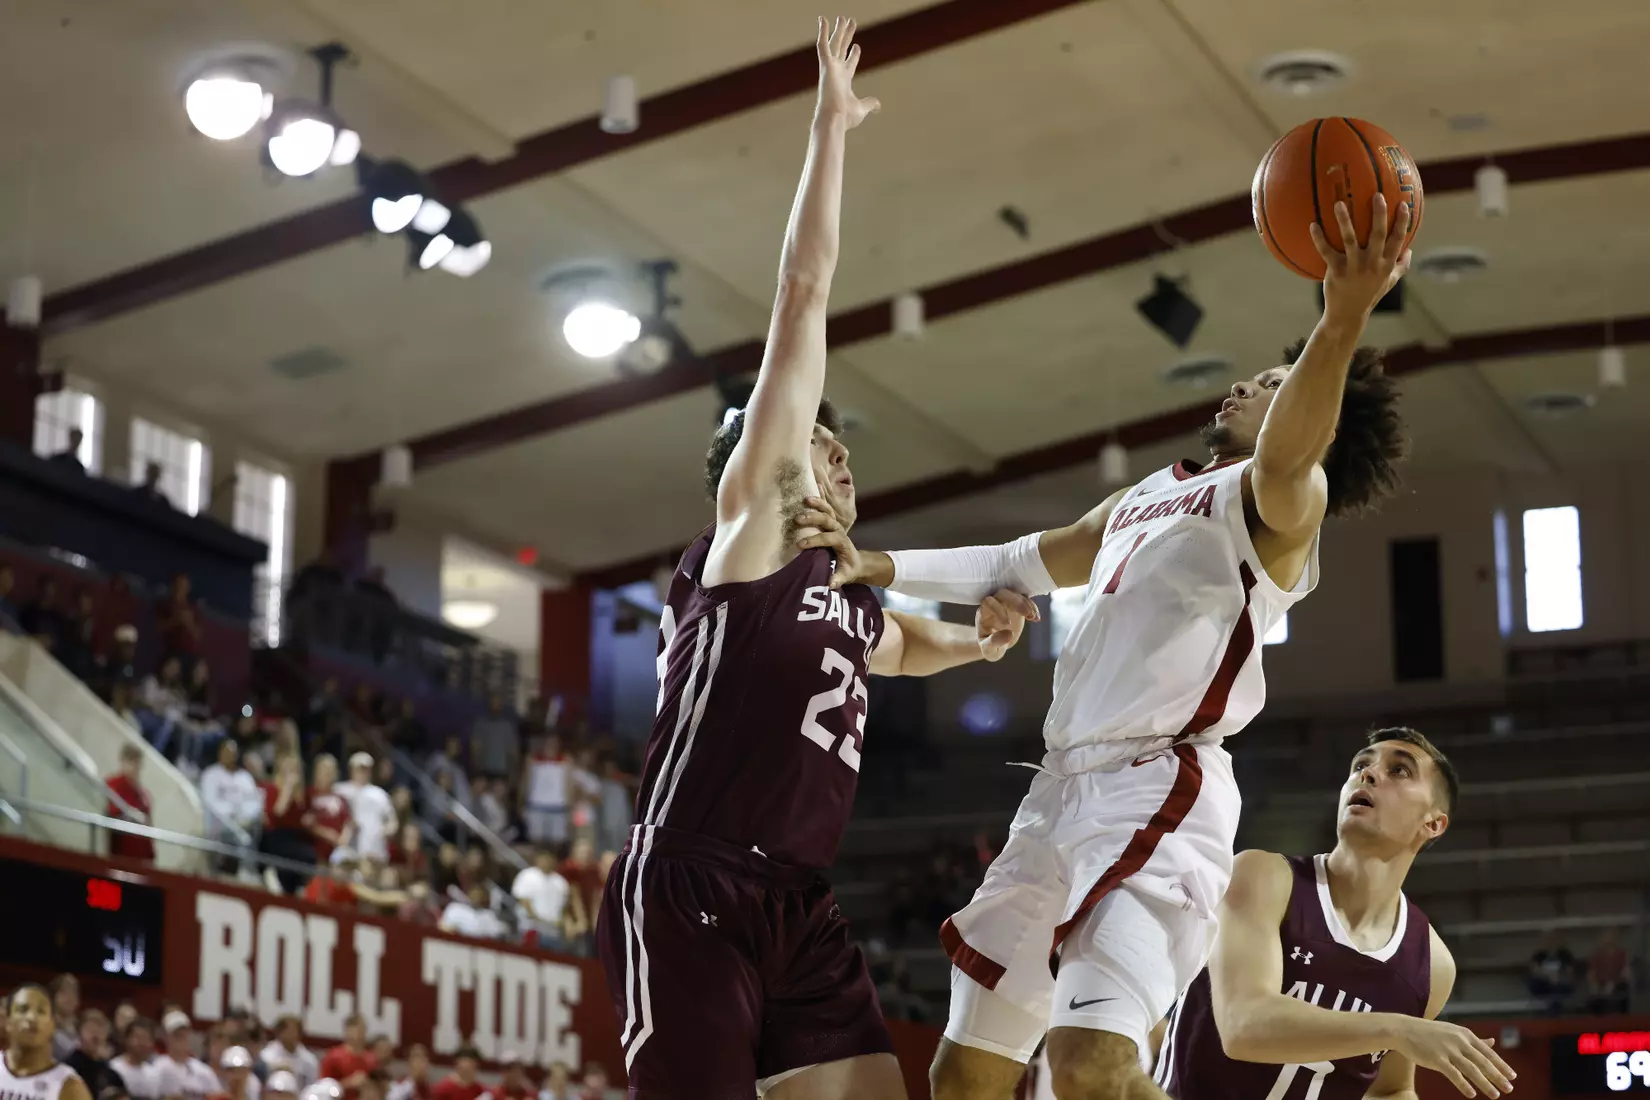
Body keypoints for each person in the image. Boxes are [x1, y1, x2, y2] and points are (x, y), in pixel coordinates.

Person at [803, 198, 1414, 1098]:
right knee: (963, 1076)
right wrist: (876, 562)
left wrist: (1343, 318)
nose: (1245, 385)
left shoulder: (1280, 509)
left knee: (1088, 1063)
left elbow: (1289, 457)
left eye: (1272, 385)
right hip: (1057, 792)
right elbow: (1022, 559)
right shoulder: (1146, 496)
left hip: (1158, 793)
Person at [594, 20, 1031, 1099]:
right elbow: (803, 292)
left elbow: (905, 644)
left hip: (800, 900)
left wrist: (980, 643)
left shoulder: (846, 590)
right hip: (691, 879)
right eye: (815, 443)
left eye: (843, 451)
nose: (835, 456)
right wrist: (830, 129)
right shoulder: (745, 535)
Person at [1156, 730, 1516, 1100]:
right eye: (1361, 764)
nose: (1369, 773)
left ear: (1433, 823)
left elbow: (1390, 1089)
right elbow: (1243, 1026)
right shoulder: (1264, 877)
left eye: (1400, 771)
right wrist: (1397, 1029)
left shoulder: (1432, 965)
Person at [2, 985, 92, 1100]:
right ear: (8, 1021)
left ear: (52, 1024)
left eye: (41, 1011)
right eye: (23, 1010)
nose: (32, 1018)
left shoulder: (70, 1086)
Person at [262, 754, 314, 893]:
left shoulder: (303, 794)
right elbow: (278, 812)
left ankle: (294, 888)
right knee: (299, 856)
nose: (293, 773)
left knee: (307, 856)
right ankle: (272, 874)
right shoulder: (274, 789)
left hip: (295, 836)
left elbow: (304, 817)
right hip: (277, 834)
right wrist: (288, 787)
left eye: (296, 769)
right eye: (290, 769)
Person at [335, 753, 396, 863]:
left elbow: (392, 821)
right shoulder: (339, 790)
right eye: (359, 769)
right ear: (351, 770)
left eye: (366, 769)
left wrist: (386, 831)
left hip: (375, 850)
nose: (363, 773)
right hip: (350, 851)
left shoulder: (380, 794)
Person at [512, 847, 574, 949]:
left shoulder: (560, 882)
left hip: (554, 931)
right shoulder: (527, 876)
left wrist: (565, 924)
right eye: (543, 859)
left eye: (549, 859)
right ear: (537, 860)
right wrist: (539, 921)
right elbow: (524, 901)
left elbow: (564, 907)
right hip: (532, 929)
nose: (546, 862)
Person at [150, 1012, 220, 1100]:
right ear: (166, 1037)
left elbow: (218, 1096)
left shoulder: (203, 1071)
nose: (181, 1039)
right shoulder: (158, 1067)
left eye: (184, 1034)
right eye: (177, 1035)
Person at [305, 755, 354, 865]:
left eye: (330, 770)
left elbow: (348, 821)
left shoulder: (340, 798)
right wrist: (329, 835)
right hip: (316, 851)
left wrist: (344, 838)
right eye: (324, 770)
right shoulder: (309, 795)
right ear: (316, 772)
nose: (327, 774)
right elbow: (306, 823)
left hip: (337, 852)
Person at [317, 1016, 375, 1100]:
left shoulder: (371, 1059)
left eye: (362, 1030)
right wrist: (349, 1083)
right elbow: (323, 1088)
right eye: (356, 1031)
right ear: (347, 1032)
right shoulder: (334, 1057)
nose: (359, 1035)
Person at [65, 1009, 118, 1097]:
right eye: (91, 1030)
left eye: (100, 1030)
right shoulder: (69, 1069)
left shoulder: (109, 1072)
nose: (96, 1036)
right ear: (79, 1033)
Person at [259, 1017, 318, 1092]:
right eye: (288, 1030)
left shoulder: (309, 1060)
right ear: (279, 1032)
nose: (291, 1034)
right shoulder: (266, 1056)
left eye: (294, 1030)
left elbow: (312, 1086)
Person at [1526, 930, 1579, 1014]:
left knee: (1557, 989)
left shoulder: (1564, 954)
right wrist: (1548, 976)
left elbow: (1570, 972)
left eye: (1552, 939)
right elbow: (1534, 970)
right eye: (1547, 939)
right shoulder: (1539, 955)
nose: (1550, 942)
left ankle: (1554, 1016)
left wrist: (1558, 977)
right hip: (1544, 983)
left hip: (1560, 983)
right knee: (1535, 983)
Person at [108, 1018, 158, 1100]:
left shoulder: (153, 1073)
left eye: (147, 1038)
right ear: (127, 1040)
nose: (143, 1043)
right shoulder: (114, 1069)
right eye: (138, 1037)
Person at [1587, 928, 1631, 1014]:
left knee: (1619, 991)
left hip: (1616, 984)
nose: (1608, 939)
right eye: (1606, 937)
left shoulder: (1621, 954)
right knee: (1594, 999)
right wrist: (1594, 984)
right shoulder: (1597, 954)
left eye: (1611, 937)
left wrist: (1614, 983)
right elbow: (1591, 972)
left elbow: (1625, 972)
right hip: (1600, 985)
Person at [438, 883, 504, 940]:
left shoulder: (488, 916)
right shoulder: (455, 908)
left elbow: (496, 935)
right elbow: (441, 927)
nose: (477, 896)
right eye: (475, 893)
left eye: (480, 894)